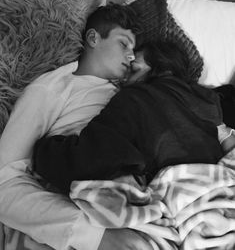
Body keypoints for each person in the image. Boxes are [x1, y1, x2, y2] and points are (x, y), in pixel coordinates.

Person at [0, 3, 154, 250]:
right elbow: (4, 181)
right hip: (76, 214)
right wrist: (94, 237)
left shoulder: (131, 94)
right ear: (93, 38)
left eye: (133, 50)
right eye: (123, 44)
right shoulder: (53, 88)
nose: (131, 56)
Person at [32, 39, 231, 196]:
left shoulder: (136, 97)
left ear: (163, 67)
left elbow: (92, 157)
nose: (125, 80)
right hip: (218, 185)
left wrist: (46, 151)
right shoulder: (210, 98)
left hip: (180, 190)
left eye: (134, 70)